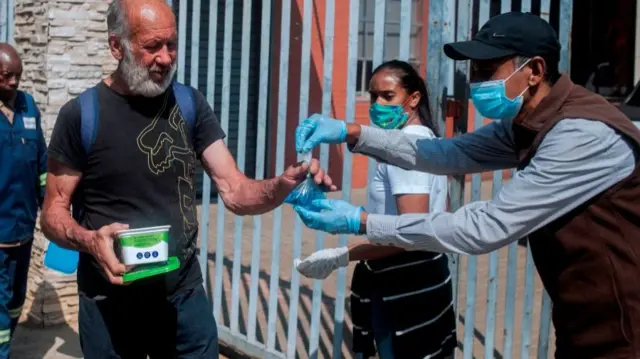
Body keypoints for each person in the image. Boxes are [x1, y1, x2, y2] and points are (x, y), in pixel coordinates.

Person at [294, 11, 640, 359]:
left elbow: (485, 228)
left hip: (624, 325)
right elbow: (449, 154)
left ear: (534, 71)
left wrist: (361, 222)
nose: (475, 82)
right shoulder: (529, 121)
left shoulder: (579, 133)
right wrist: (353, 132)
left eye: (488, 69)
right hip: (584, 315)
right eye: (474, 69)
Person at [40, 0, 335, 358]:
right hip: (110, 302)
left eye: (172, 44)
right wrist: (88, 239)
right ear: (117, 46)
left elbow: (235, 190)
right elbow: (53, 214)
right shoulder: (82, 115)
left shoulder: (189, 103)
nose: (165, 58)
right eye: (152, 47)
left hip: (183, 297)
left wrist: (283, 184)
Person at [293, 60, 456, 359]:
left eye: (388, 96)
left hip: (404, 286)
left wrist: (342, 255)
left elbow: (409, 233)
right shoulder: (426, 141)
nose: (378, 104)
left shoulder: (407, 150)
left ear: (414, 98)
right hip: (427, 277)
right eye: (373, 96)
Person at [0, 43, 46, 359]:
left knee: (16, 298)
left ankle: (7, 342)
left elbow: (42, 162)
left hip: (24, 227)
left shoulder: (29, 107)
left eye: (17, 75)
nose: (14, 83)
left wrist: (51, 205)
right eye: (6, 76)